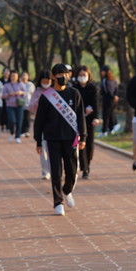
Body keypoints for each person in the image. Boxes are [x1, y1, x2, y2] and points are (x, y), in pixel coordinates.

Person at [33, 63, 86, 216]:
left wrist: (83, 137)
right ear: (53, 76)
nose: (64, 77)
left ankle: (67, 190)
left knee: (72, 171)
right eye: (60, 75)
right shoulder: (46, 97)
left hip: (71, 138)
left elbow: (80, 117)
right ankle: (58, 202)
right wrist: (38, 140)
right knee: (56, 172)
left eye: (66, 74)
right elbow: (39, 120)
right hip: (53, 138)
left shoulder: (74, 94)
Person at [75, 65, 100, 179]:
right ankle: (84, 168)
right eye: (80, 75)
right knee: (80, 142)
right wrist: (83, 110)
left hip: (90, 120)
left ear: (89, 76)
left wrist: (96, 117)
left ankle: (87, 163)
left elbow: (96, 103)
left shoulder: (92, 88)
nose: (82, 77)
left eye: (84, 75)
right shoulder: (74, 89)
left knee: (89, 143)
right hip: (77, 120)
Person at [28, 70, 53, 180]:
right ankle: (45, 171)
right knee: (43, 147)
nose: (46, 83)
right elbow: (31, 107)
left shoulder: (54, 91)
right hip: (41, 122)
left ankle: (53, 169)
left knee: (52, 148)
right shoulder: (37, 92)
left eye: (48, 81)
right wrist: (39, 101)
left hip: (53, 122)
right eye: (44, 81)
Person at [1, 70, 27, 143]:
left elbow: (25, 93)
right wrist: (9, 94)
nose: (13, 77)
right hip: (10, 105)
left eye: (15, 76)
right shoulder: (7, 85)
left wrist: (21, 93)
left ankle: (17, 136)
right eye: (12, 76)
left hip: (19, 105)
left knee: (19, 121)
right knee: (11, 120)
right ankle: (12, 132)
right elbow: (3, 95)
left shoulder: (21, 84)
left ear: (18, 76)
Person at [100, 66, 120, 135]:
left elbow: (107, 90)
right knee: (111, 114)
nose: (101, 72)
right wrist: (115, 96)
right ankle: (111, 129)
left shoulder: (105, 80)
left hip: (108, 100)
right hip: (113, 100)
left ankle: (104, 131)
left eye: (103, 71)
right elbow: (116, 89)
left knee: (106, 115)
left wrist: (113, 96)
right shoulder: (113, 80)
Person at [20, 71, 36, 138]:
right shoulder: (19, 84)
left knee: (27, 118)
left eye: (25, 75)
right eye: (23, 75)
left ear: (28, 77)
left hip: (28, 103)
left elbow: (33, 93)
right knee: (21, 118)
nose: (24, 77)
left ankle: (26, 131)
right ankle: (21, 131)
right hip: (20, 104)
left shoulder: (30, 84)